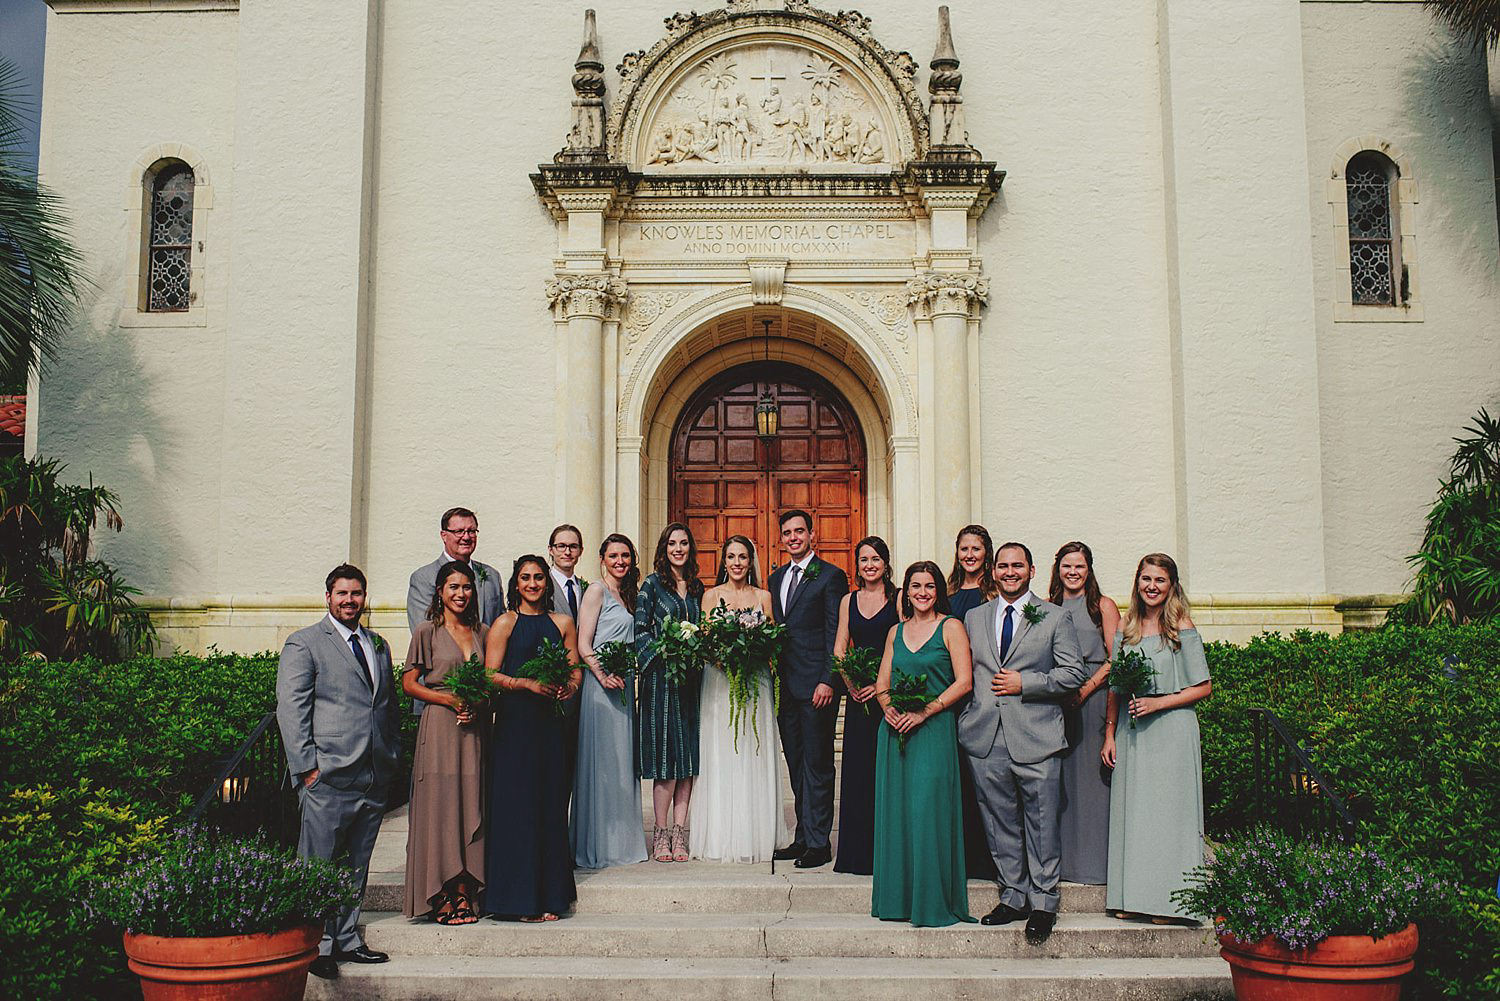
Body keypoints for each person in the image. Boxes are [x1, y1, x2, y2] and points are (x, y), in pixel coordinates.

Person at [958, 542, 1087, 945]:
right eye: (1003, 566)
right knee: (999, 822)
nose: (1010, 572)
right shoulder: (974, 617)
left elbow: (1073, 674)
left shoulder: (1054, 616)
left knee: (1042, 822)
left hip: (1037, 735)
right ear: (993, 572)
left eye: (1018, 566)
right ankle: (1012, 895)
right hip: (986, 736)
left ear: (1031, 570)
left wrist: (1025, 683)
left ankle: (1044, 903)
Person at [275, 564, 397, 979]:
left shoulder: (377, 644)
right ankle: (316, 944)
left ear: (365, 597)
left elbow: (385, 707)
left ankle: (347, 939)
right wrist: (307, 768)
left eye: (357, 593)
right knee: (317, 864)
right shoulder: (305, 643)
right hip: (327, 774)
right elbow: (291, 710)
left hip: (372, 774)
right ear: (327, 597)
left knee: (356, 865)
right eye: (342, 593)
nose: (350, 600)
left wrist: (390, 757)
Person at [1102, 553, 1211, 923]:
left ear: (1171, 585)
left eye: (1159, 580)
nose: (1151, 586)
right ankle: (1132, 897)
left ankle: (1170, 903)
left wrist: (1158, 703)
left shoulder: (1181, 625)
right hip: (1133, 734)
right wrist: (1109, 734)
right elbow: (1115, 686)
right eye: (1146, 579)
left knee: (1167, 816)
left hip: (1172, 731)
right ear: (1137, 582)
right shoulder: (1127, 627)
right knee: (1136, 814)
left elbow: (1204, 686)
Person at [871, 561, 975, 927]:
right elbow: (882, 681)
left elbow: (964, 682)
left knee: (928, 814)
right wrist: (888, 709)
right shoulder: (895, 632)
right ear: (906, 591)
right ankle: (898, 901)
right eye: (916, 586)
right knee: (898, 815)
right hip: (896, 733)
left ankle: (931, 902)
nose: (922, 593)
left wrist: (924, 712)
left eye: (929, 586)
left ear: (938, 591)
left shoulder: (951, 627)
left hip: (933, 731)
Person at [481, 556, 581, 921]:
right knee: (517, 808)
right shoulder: (505, 623)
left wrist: (567, 688)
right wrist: (524, 684)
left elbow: (575, 671)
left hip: (551, 726)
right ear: (516, 583)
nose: (534, 583)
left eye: (539, 577)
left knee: (550, 805)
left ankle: (549, 895)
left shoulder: (563, 623)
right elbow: (489, 675)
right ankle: (516, 900)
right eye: (526, 578)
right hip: (514, 726)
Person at [689, 536, 791, 863]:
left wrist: (754, 654)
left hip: (755, 682)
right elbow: (704, 641)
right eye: (731, 556)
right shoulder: (710, 596)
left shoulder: (763, 597)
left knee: (753, 751)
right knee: (722, 753)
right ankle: (720, 835)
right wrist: (724, 658)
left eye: (742, 557)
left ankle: (756, 832)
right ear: (724, 561)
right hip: (720, 684)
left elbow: (774, 641)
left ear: (751, 562)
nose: (736, 562)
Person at [401, 561, 487, 924]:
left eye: (466, 587)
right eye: (453, 587)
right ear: (440, 591)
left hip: (475, 730)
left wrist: (476, 704)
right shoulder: (426, 631)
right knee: (441, 808)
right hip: (439, 727)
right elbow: (409, 683)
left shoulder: (482, 631)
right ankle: (441, 892)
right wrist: (449, 700)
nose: (461, 593)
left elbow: (490, 680)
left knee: (472, 806)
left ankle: (466, 890)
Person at [767, 509, 849, 869]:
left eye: (800, 531)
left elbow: (835, 630)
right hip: (786, 686)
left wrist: (829, 679)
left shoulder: (831, 576)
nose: (794, 537)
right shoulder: (775, 578)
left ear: (812, 535)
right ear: (782, 538)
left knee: (818, 765)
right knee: (797, 763)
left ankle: (819, 843)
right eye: (787, 533)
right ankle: (802, 836)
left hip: (817, 687)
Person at [571, 533, 648, 869]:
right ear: (602, 559)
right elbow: (583, 643)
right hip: (600, 688)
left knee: (621, 762)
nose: (620, 561)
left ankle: (622, 843)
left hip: (623, 687)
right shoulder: (596, 591)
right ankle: (597, 844)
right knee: (602, 763)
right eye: (614, 556)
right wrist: (602, 675)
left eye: (626, 556)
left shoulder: (629, 594)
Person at [1049, 541, 1121, 886]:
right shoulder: (1049, 607)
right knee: (1060, 785)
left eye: (1079, 566)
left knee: (1093, 786)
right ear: (1057, 569)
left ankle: (1096, 866)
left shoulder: (1102, 606)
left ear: (1088, 569)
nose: (1073, 572)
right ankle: (1065, 865)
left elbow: (1117, 658)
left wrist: (1087, 689)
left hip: (1093, 699)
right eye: (1067, 566)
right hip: (1057, 702)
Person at [635, 522, 704, 863]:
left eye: (684, 543)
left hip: (690, 683)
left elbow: (704, 630)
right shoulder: (651, 586)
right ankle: (660, 833)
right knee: (665, 761)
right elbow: (640, 631)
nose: (679, 548)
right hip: (660, 682)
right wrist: (666, 650)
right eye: (673, 543)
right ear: (664, 548)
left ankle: (680, 833)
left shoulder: (696, 588)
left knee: (688, 759)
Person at [831, 535, 898, 875]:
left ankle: (887, 852)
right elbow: (840, 649)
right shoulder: (848, 601)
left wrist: (881, 685)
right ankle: (857, 855)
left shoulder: (898, 599)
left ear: (886, 564)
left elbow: (903, 643)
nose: (869, 565)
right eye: (863, 560)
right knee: (857, 775)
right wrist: (852, 685)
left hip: (888, 698)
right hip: (859, 699)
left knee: (886, 772)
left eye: (875, 558)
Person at [406, 507, 504, 717]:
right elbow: (426, 631)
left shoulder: (491, 576)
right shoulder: (424, 577)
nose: (466, 537)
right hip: (440, 696)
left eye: (472, 531)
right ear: (444, 535)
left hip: (482, 698)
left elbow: (500, 632)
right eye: (459, 531)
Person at [945, 524, 1001, 881]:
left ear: (986, 553)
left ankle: (988, 857)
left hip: (983, 690)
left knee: (985, 777)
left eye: (976, 549)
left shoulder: (995, 592)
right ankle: (959, 856)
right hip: (950, 692)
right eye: (964, 549)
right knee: (958, 778)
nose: (969, 555)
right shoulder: (947, 593)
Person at [547, 524, 587, 620]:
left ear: (581, 551)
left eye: (573, 546)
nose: (567, 552)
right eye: (561, 546)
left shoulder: (585, 589)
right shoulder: (542, 585)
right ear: (551, 550)